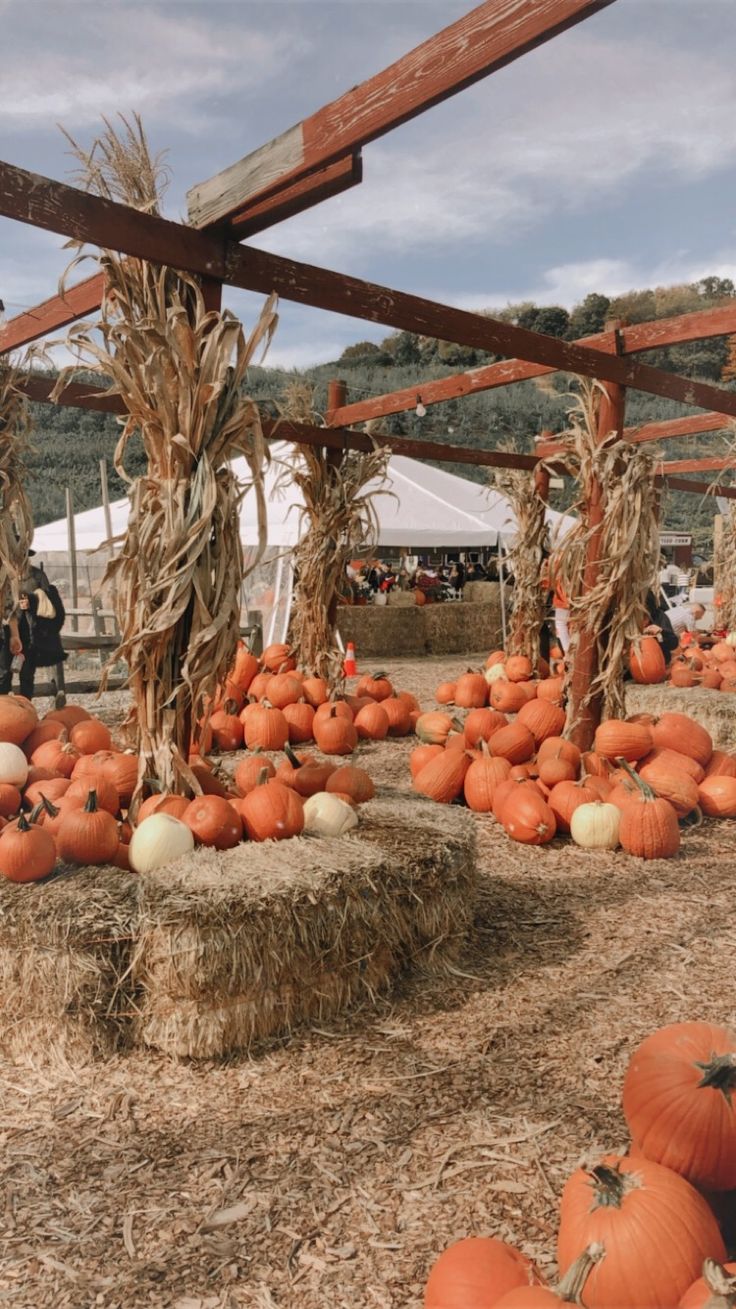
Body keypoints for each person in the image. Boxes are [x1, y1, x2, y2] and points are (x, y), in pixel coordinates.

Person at [15, 556, 66, 698]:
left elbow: (49, 602)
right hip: (5, 628)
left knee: (26, 673)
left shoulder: (37, 576)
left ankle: (25, 707)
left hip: (29, 629)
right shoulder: (4, 574)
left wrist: (30, 602)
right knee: (4, 673)